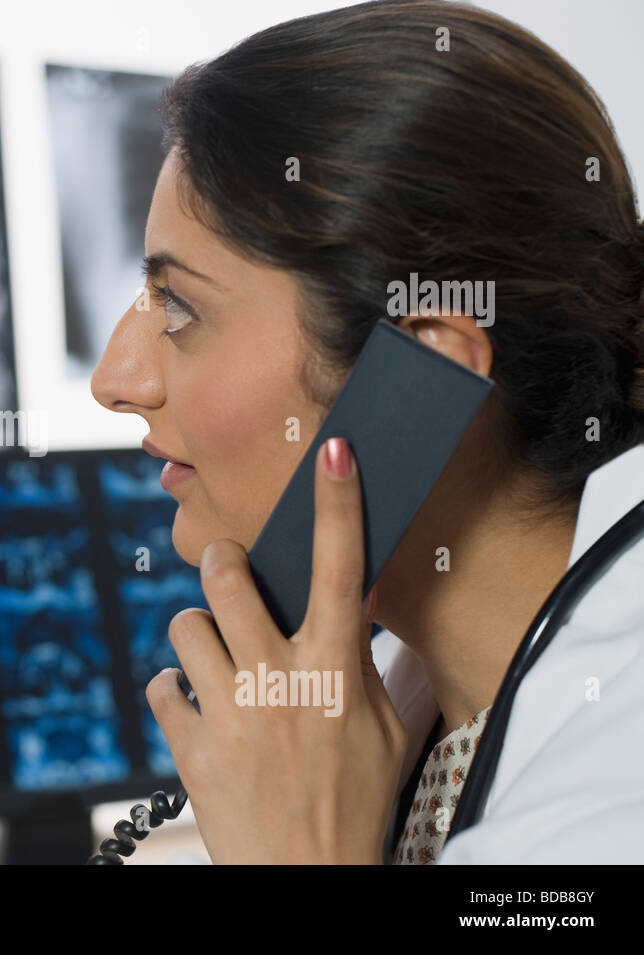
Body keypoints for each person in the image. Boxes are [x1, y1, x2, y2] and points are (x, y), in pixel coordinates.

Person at [89, 0, 644, 863]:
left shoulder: (612, 799)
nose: (114, 381)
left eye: (182, 306)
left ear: (423, 375)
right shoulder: (389, 715)